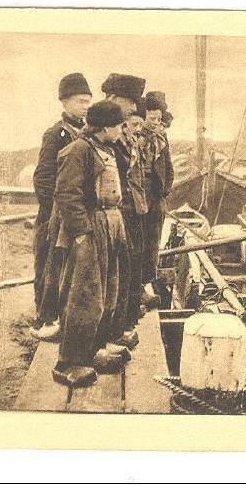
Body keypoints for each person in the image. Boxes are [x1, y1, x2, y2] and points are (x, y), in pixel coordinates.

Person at [51, 100, 134, 387]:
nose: (123, 129)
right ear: (105, 126)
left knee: (110, 291)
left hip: (112, 223)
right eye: (119, 124)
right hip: (92, 226)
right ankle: (68, 363)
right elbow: (66, 194)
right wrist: (82, 232)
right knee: (85, 295)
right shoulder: (79, 150)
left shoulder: (107, 149)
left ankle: (94, 350)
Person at [31, 73, 92, 340]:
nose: (85, 105)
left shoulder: (86, 134)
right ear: (65, 101)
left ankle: (62, 319)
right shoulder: (56, 134)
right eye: (80, 101)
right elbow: (43, 178)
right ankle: (44, 320)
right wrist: (55, 209)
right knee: (48, 265)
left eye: (88, 101)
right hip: (53, 215)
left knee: (69, 267)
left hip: (72, 213)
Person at [101, 74, 148, 347]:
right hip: (114, 215)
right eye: (130, 102)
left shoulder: (122, 130)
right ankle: (114, 331)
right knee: (116, 274)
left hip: (130, 212)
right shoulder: (104, 131)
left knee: (129, 270)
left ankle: (124, 326)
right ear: (113, 99)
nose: (133, 108)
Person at [140, 91, 174, 299]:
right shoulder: (135, 136)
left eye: (158, 119)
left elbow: (168, 167)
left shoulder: (161, 138)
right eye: (151, 118)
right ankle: (139, 287)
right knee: (139, 241)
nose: (155, 122)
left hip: (156, 195)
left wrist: (165, 190)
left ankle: (147, 281)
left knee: (153, 241)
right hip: (140, 194)